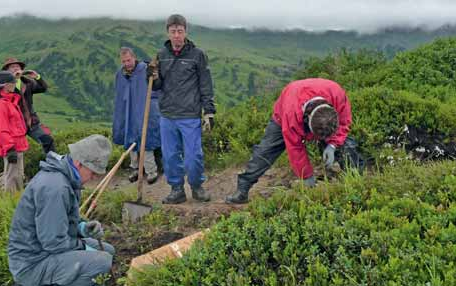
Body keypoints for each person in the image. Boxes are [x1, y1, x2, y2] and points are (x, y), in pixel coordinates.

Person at [226, 78, 365, 204]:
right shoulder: (291, 114)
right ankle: (242, 190)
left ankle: (357, 181)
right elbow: (295, 149)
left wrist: (332, 145)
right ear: (307, 121)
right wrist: (307, 177)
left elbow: (344, 122)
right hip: (284, 117)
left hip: (321, 116)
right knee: (265, 151)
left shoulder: (337, 94)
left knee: (346, 145)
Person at [8, 134, 115, 286]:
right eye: (92, 172)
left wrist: (81, 227)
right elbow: (54, 243)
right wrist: (83, 247)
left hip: (44, 251)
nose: (93, 178)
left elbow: (61, 220)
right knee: (102, 262)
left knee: (109, 251)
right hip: (32, 264)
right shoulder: (55, 188)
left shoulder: (68, 177)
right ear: (79, 163)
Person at [149, 14, 216, 204]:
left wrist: (209, 111)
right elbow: (157, 86)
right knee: (170, 156)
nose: (176, 35)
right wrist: (151, 78)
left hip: (190, 114)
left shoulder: (197, 55)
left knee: (193, 156)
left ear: (185, 32)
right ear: (168, 33)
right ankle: (176, 189)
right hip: (167, 115)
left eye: (180, 31)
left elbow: (205, 84)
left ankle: (197, 187)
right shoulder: (161, 55)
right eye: (173, 31)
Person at [112, 47, 161, 184]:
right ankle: (135, 169)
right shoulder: (120, 74)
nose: (127, 63)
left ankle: (151, 171)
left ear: (134, 57)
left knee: (146, 139)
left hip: (143, 110)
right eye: (124, 61)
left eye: (129, 60)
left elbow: (156, 89)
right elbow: (119, 94)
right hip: (128, 112)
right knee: (130, 140)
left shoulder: (145, 69)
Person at [2, 57, 56, 154]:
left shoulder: (27, 82)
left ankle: (52, 166)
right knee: (16, 153)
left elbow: (43, 88)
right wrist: (13, 79)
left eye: (18, 66)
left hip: (31, 123)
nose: (15, 68)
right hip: (15, 126)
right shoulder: (3, 86)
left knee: (48, 141)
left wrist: (37, 77)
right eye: (12, 67)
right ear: (6, 71)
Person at [0, 71, 29, 192]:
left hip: (18, 145)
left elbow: (17, 93)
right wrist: (9, 148)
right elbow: (1, 129)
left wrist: (15, 77)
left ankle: (16, 201)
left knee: (18, 176)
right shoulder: (0, 105)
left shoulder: (8, 100)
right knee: (12, 177)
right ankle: (11, 202)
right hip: (12, 146)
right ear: (6, 85)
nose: (15, 84)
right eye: (13, 83)